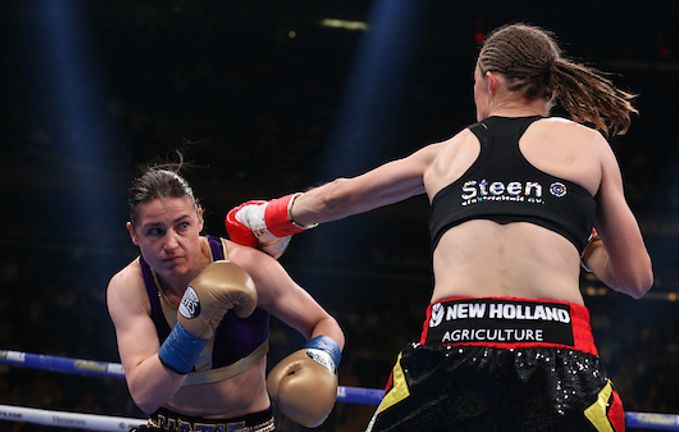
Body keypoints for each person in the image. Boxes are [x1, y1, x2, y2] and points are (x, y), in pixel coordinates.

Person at [227, 23, 653, 431]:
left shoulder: (445, 155)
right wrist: (580, 237)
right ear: (553, 88)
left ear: (488, 81)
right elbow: (635, 279)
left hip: (451, 350)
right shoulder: (588, 145)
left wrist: (264, 220)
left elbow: (338, 196)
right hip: (558, 357)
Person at [106, 166, 345, 431]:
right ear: (134, 234)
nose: (172, 244)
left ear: (199, 218)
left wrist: (323, 356)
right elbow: (145, 396)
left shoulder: (249, 267)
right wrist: (194, 324)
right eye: (155, 231)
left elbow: (323, 322)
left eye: (182, 225)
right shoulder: (129, 286)